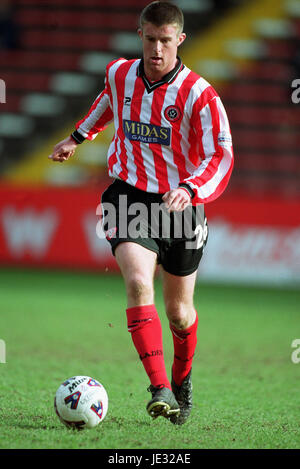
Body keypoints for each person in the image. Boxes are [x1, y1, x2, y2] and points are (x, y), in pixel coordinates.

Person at [49, 1, 234, 425]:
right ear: (140, 35)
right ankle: (159, 388)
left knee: (180, 314)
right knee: (136, 281)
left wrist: (190, 188)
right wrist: (78, 136)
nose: (156, 50)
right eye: (149, 39)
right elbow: (108, 102)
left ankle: (181, 379)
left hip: (181, 206)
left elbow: (220, 156)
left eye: (165, 41)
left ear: (179, 40)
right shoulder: (120, 73)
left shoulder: (200, 95)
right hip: (128, 198)